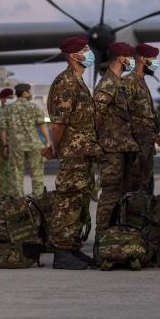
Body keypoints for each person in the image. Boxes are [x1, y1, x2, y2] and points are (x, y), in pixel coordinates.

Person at [46, 36, 100, 270]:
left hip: (83, 153)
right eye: (85, 49)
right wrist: (56, 148)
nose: (89, 53)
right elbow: (58, 124)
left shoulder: (78, 81)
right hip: (72, 152)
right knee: (68, 200)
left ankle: (72, 247)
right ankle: (61, 251)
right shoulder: (66, 82)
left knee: (80, 199)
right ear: (73, 55)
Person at [93, 42, 140, 244]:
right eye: (130, 57)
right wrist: (102, 140)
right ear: (121, 58)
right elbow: (96, 114)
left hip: (121, 147)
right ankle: (102, 239)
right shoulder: (108, 83)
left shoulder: (118, 82)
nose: (132, 61)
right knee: (110, 194)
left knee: (120, 194)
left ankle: (114, 237)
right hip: (111, 149)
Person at [0, 83, 49, 198]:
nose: (31, 94)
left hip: (16, 146)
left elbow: (3, 130)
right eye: (30, 91)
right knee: (37, 174)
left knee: (16, 174)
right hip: (34, 145)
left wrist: (5, 146)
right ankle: (38, 199)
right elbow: (42, 125)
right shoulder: (34, 107)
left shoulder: (8, 109)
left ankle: (19, 201)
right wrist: (48, 142)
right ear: (25, 93)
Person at [124, 43, 159, 193]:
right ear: (143, 59)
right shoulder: (129, 82)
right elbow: (121, 115)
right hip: (136, 150)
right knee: (135, 192)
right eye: (154, 59)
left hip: (145, 149)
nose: (156, 63)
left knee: (145, 191)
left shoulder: (141, 81)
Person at [0, 88, 15, 200]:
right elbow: (0, 131)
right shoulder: (0, 112)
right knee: (3, 172)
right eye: (9, 98)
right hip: (1, 147)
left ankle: (6, 194)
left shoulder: (10, 111)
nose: (12, 99)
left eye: (12, 97)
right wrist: (4, 146)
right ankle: (1, 195)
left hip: (11, 146)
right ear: (2, 99)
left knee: (9, 171)